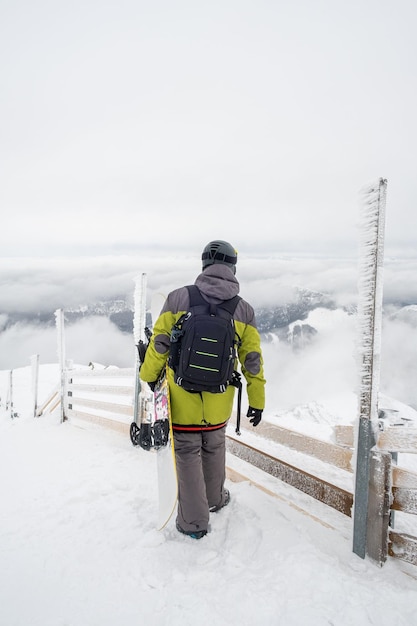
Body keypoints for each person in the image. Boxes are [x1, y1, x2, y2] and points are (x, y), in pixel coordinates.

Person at [140, 240, 266, 539]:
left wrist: (147, 375)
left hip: (182, 397)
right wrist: (257, 401)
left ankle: (193, 523)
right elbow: (252, 361)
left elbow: (160, 344)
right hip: (220, 397)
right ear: (233, 267)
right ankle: (214, 500)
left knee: (186, 453)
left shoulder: (179, 298)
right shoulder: (243, 310)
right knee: (213, 446)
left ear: (204, 264)